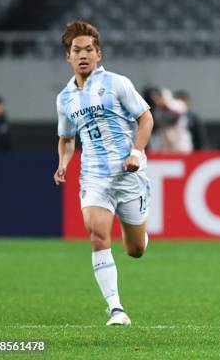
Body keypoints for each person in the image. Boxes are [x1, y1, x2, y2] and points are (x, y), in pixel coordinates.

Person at [53, 21, 154, 326]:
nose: (82, 55)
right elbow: (67, 139)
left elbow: (146, 118)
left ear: (98, 53)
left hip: (129, 175)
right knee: (97, 235)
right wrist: (63, 163)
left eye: (88, 49)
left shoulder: (117, 84)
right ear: (68, 57)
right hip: (94, 177)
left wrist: (136, 152)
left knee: (135, 249)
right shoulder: (64, 99)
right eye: (76, 50)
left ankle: (139, 236)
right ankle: (116, 308)